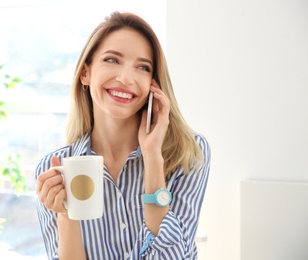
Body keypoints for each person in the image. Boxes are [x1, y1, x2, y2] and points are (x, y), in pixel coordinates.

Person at [35, 11, 211, 260]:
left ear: (154, 83)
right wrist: (65, 215)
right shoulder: (54, 169)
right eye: (112, 60)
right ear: (85, 73)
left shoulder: (187, 154)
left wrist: (152, 157)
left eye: (142, 67)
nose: (126, 78)